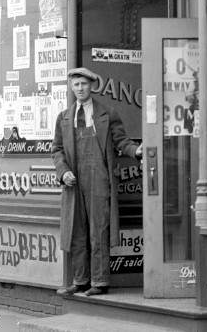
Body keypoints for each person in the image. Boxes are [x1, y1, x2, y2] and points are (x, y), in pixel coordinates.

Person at [52, 67, 142, 297]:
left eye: (84, 84)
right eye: (76, 84)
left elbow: (121, 141)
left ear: (92, 86)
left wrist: (136, 151)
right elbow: (57, 150)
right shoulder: (64, 117)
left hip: (99, 178)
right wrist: (63, 172)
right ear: (71, 87)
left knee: (98, 229)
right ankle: (80, 281)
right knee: (77, 230)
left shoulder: (107, 114)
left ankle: (100, 282)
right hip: (74, 181)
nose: (80, 88)